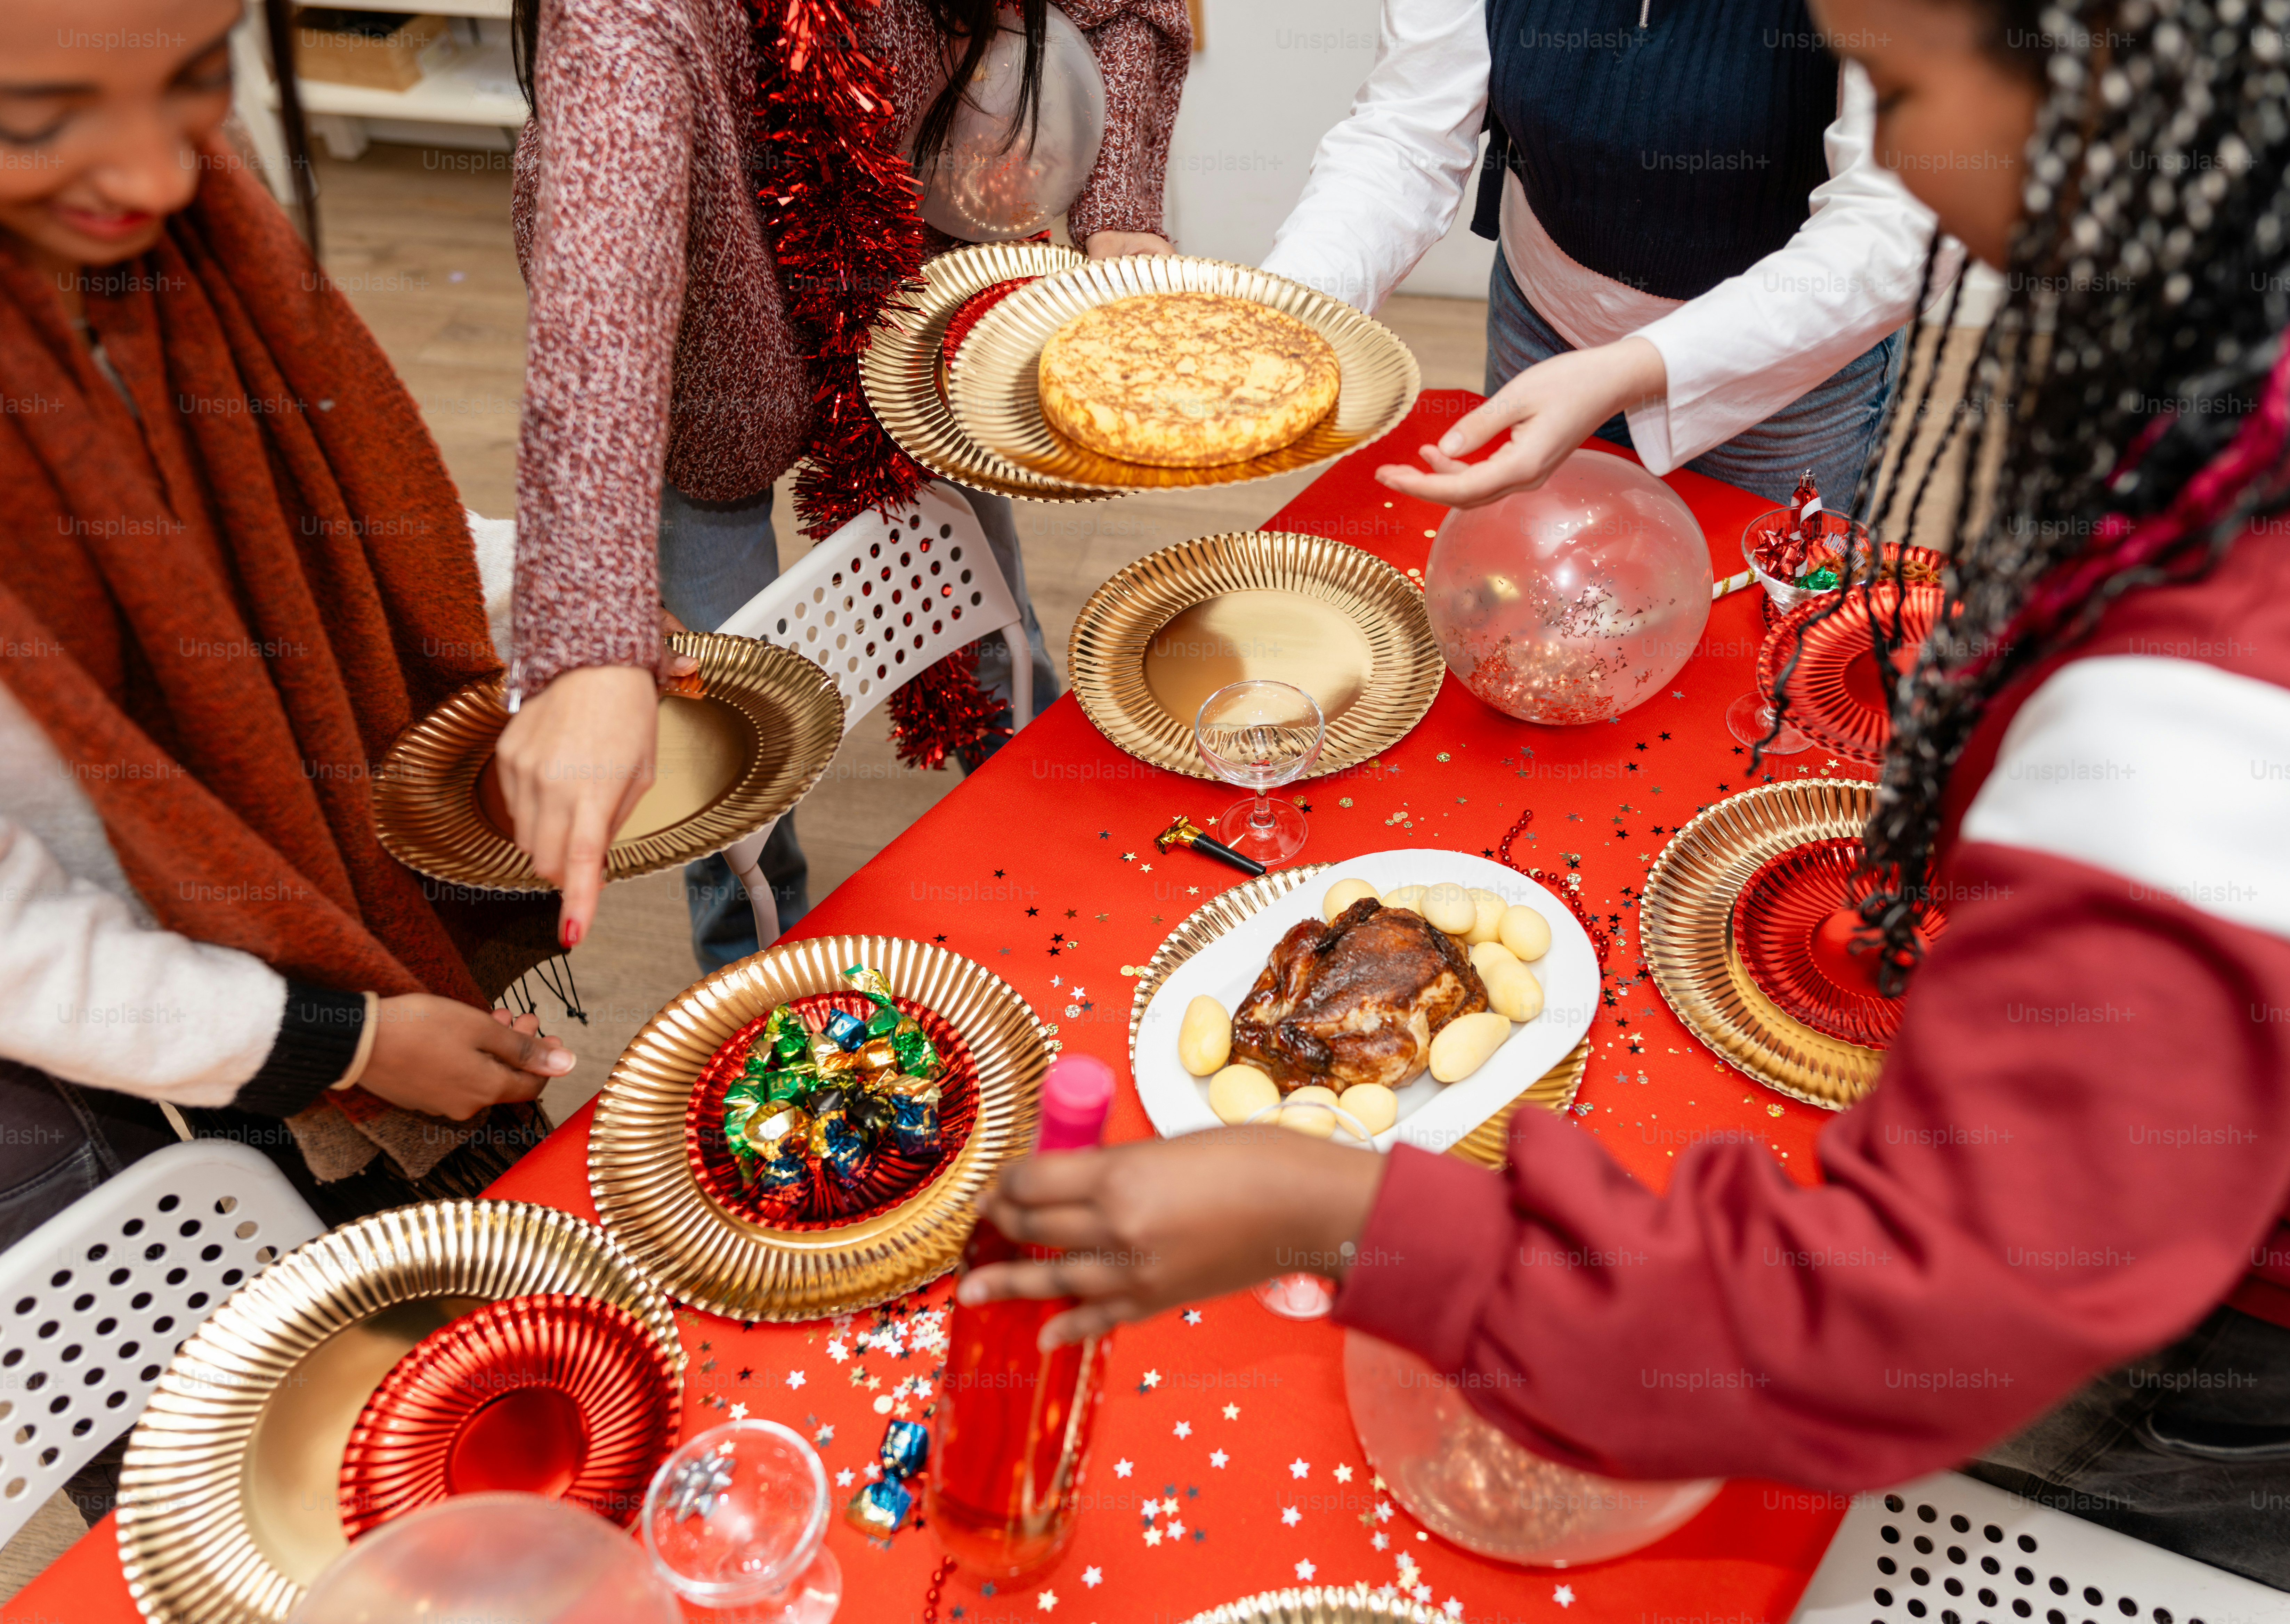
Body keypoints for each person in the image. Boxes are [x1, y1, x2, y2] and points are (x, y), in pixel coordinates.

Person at [963, 0, 2290, 1589]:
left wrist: (1322, 1200)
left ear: (2110, 96)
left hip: (2265, 1330)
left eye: (1891, 91)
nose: (1887, 164)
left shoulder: (2219, 738)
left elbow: (1883, 1325)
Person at [0, 0, 576, 1267]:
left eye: (194, 74)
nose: (161, 172)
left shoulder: (202, 212)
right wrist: (345, 1042)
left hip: (292, 929)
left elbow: (350, 526)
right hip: (106, 1022)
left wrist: (565, 607)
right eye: (42, 118)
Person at [495, 0, 1189, 973]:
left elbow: (1125, 10)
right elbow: (602, 276)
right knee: (724, 741)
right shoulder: (629, 26)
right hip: (699, 362)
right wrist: (588, 633)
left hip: (906, 311)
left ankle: (1067, 848)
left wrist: (1118, 215)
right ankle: (751, 962)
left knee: (988, 629)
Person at [1263, 0, 1959, 512]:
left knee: (1747, 662)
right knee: (1529, 607)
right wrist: (1286, 313)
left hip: (1780, 380)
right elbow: (1406, 132)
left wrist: (1636, 368)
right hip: (1542, 322)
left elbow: (1899, 219)